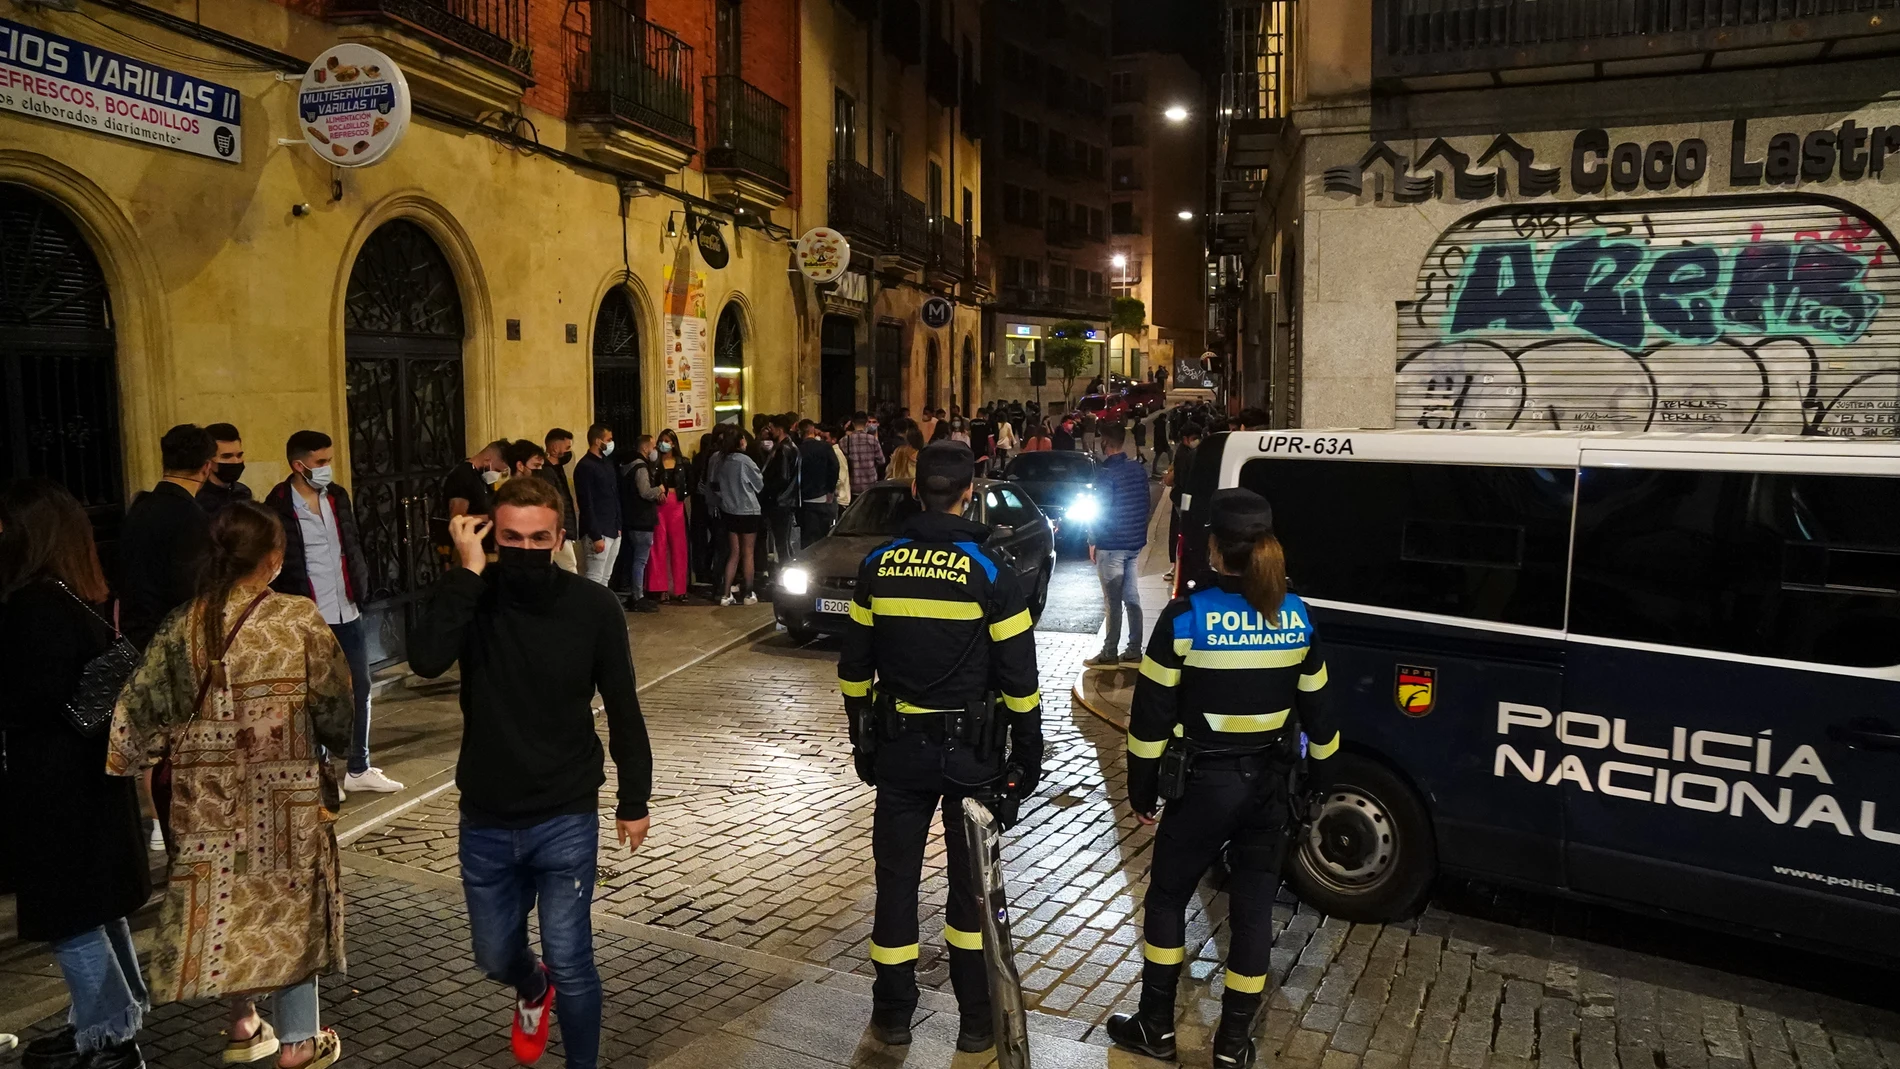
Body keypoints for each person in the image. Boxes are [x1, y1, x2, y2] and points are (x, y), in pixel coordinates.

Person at [408, 476, 652, 1069]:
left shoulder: (592, 606)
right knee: (494, 956)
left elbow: (622, 702)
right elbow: (426, 658)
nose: (524, 548)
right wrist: (466, 571)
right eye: (510, 537)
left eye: (538, 537)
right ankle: (530, 987)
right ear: (490, 534)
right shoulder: (474, 594)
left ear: (559, 536)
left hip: (565, 810)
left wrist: (634, 797)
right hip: (486, 813)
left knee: (572, 957)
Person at [109, 501, 354, 1069]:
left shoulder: (183, 623)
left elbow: (139, 707)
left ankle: (243, 1024)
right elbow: (335, 702)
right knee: (290, 909)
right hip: (286, 794)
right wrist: (339, 752)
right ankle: (298, 1041)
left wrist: (128, 770)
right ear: (273, 559)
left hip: (206, 798)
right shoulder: (297, 619)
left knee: (228, 900)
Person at [1106, 489, 1338, 1069]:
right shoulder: (1298, 613)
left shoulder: (1186, 617)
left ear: (1214, 548)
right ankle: (1233, 1046)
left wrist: (1142, 790)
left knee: (1165, 898)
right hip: (1271, 789)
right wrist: (1317, 783)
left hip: (1204, 788)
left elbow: (1151, 716)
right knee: (1254, 912)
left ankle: (1156, 1028)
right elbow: (1321, 715)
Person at [838, 441, 1043, 1054]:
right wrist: (1027, 753)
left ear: (913, 492)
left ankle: (893, 1015)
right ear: (968, 493)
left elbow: (854, 668)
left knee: (896, 882)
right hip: (971, 756)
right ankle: (976, 1021)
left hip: (899, 750)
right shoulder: (991, 569)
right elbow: (1019, 677)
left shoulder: (880, 564)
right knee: (969, 889)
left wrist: (861, 734)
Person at [1, 480, 151, 1069]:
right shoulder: (72, 594)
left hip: (57, 786)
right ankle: (110, 1018)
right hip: (89, 781)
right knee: (95, 910)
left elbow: (28, 698)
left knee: (71, 918)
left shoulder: (34, 608)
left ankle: (110, 1036)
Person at [264, 430, 401, 796]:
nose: (327, 468)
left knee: (360, 686)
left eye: (328, 461)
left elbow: (351, 544)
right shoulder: (277, 503)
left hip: (347, 608)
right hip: (307, 612)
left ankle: (359, 766)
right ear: (299, 465)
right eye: (321, 462)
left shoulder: (337, 496)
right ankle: (321, 771)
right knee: (315, 695)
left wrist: (360, 584)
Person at [120, 423, 216, 650]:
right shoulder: (192, 517)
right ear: (206, 467)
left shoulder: (139, 507)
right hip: (168, 641)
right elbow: (190, 591)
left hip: (133, 632)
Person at [1084, 421, 1151, 670]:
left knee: (1112, 601)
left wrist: (1093, 540)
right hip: (1133, 543)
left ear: (1105, 443)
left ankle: (1109, 652)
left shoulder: (1105, 474)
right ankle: (1134, 650)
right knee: (1132, 597)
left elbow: (1099, 510)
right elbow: (1145, 504)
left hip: (1111, 544)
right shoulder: (1137, 470)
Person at [437, 440, 507, 568]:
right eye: (497, 470)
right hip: (466, 549)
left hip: (483, 547)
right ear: (488, 460)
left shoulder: (480, 476)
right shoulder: (462, 477)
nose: (497, 475)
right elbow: (457, 518)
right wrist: (490, 517)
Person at [716, 432, 764, 605]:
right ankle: (749, 593)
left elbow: (716, 485)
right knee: (748, 553)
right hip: (748, 510)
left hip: (729, 510)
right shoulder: (745, 461)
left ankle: (725, 594)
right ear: (739, 442)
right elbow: (759, 484)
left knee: (734, 553)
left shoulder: (722, 462)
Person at [645, 428, 691, 604]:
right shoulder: (654, 464)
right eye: (661, 440)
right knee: (658, 546)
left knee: (679, 547)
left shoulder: (683, 462)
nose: (664, 443)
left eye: (667, 440)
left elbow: (690, 483)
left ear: (673, 443)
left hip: (676, 506)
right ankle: (660, 588)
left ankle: (680, 589)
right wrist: (658, 493)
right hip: (659, 506)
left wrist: (681, 494)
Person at [574, 424, 621, 589]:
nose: (611, 443)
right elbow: (586, 502)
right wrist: (595, 535)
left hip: (613, 528)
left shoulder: (607, 463)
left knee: (605, 577)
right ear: (597, 441)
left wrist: (618, 525)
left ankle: (602, 612)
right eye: (608, 439)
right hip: (598, 531)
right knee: (595, 577)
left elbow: (614, 495)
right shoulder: (585, 467)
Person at [619, 435, 661, 614]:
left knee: (635, 559)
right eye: (653, 446)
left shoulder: (625, 465)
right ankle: (638, 596)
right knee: (640, 560)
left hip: (630, 518)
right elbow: (644, 492)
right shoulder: (641, 466)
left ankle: (633, 592)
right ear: (645, 447)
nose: (655, 450)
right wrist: (660, 489)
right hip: (642, 519)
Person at [534, 429, 580, 574]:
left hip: (562, 529)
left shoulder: (557, 470)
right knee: (569, 569)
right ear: (554, 448)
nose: (569, 451)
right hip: (558, 529)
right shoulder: (546, 472)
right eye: (567, 447)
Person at [761, 414, 802, 573]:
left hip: (781, 502)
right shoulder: (787, 447)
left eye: (771, 428)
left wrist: (769, 492)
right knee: (782, 542)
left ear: (779, 429)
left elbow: (782, 478)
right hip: (784, 500)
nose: (769, 431)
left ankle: (784, 575)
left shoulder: (783, 450)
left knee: (782, 543)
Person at [1164, 423, 1204, 577]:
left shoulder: (1185, 452)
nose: (1197, 441)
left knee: (1179, 532)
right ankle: (1178, 567)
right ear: (1185, 439)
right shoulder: (1184, 455)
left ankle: (1177, 566)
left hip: (1180, 499)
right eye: (1194, 438)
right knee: (1181, 533)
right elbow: (1183, 480)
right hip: (1182, 500)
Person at [796, 419, 840, 548]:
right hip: (822, 497)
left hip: (804, 499)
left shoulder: (799, 449)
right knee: (822, 537)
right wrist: (830, 490)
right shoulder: (825, 447)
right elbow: (834, 467)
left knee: (807, 538)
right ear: (813, 430)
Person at [197, 422, 253, 515]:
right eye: (227, 456)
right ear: (208, 461)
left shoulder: (243, 493)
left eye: (239, 455)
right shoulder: (198, 499)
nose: (236, 461)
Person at [842, 412, 886, 498]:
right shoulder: (872, 440)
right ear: (866, 423)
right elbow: (882, 461)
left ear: (853, 423)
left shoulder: (844, 441)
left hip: (852, 485)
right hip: (870, 484)